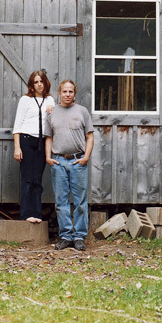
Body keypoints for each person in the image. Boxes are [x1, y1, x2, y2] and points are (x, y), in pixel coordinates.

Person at [44, 80, 94, 251]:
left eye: (70, 92)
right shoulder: (52, 113)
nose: (67, 95)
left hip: (77, 161)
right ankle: (65, 235)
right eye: (64, 91)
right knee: (61, 201)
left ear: (75, 93)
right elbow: (49, 137)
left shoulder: (82, 112)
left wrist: (86, 157)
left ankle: (79, 236)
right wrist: (48, 157)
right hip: (58, 162)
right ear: (59, 93)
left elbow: (90, 136)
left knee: (80, 201)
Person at [12, 70, 55, 223]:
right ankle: (26, 214)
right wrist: (17, 147)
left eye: (41, 81)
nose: (39, 85)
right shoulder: (25, 100)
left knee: (37, 179)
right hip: (26, 140)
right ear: (32, 84)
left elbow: (54, 123)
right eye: (36, 82)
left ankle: (37, 214)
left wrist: (52, 111)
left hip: (42, 142)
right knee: (27, 179)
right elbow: (17, 125)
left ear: (45, 83)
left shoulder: (50, 100)